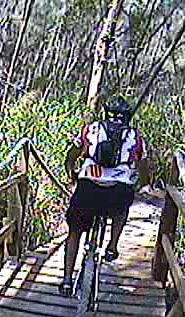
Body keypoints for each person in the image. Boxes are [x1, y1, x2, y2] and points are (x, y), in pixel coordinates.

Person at [59, 96, 152, 296]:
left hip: (88, 187)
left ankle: (66, 280)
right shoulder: (135, 136)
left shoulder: (90, 129)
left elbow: (72, 153)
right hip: (117, 191)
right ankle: (112, 246)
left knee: (74, 231)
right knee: (122, 208)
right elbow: (143, 165)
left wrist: (71, 172)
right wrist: (141, 183)